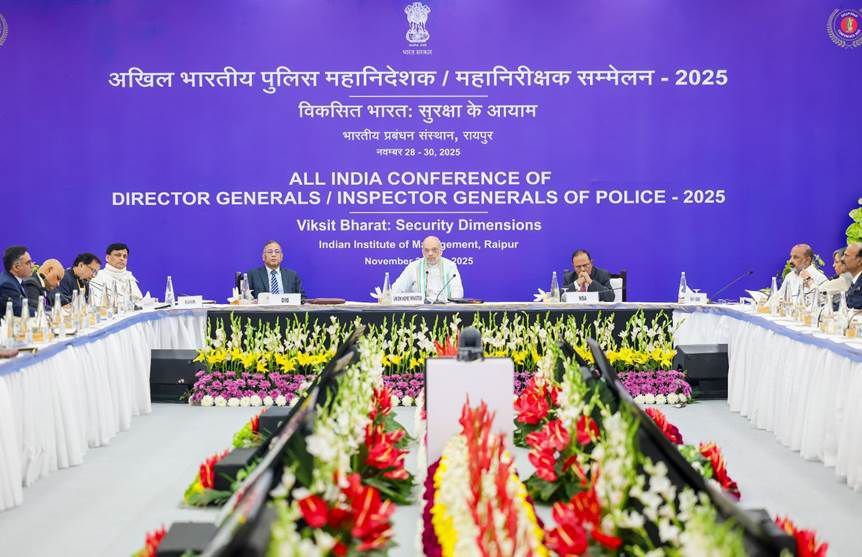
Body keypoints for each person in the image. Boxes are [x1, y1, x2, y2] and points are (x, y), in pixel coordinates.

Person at [391, 235, 464, 302]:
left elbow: (457, 291)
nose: (430, 253)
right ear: (422, 252)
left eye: (434, 250)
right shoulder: (413, 267)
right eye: (426, 250)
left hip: (446, 309)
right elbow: (397, 289)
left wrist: (452, 305)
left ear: (441, 251)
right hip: (420, 309)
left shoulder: (450, 266)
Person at [0, 246, 33, 316]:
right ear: (16, 267)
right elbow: (19, 310)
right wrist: (44, 313)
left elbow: (27, 302)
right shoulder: (7, 285)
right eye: (28, 263)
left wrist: (47, 308)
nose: (32, 266)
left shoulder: (14, 280)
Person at [842, 243, 862, 309]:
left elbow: (853, 305)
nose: (842, 259)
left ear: (859, 261)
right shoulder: (855, 281)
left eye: (846, 255)